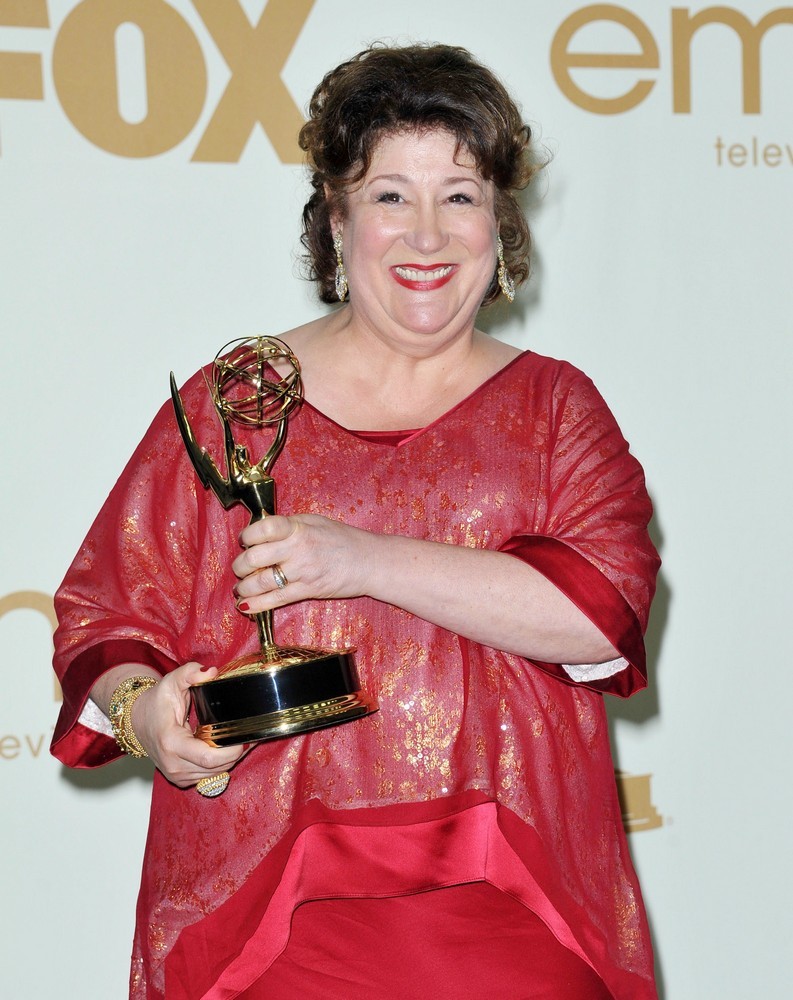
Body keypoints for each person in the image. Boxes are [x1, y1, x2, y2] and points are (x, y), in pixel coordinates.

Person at [51, 43, 660, 1000]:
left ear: (499, 222)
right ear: (335, 220)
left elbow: (599, 614)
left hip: (513, 917)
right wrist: (149, 716)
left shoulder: (554, 411)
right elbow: (108, 617)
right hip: (271, 922)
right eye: (388, 196)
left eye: (459, 195)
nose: (427, 234)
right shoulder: (236, 401)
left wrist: (359, 559)